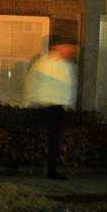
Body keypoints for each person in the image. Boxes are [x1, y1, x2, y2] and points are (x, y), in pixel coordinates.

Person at [24, 36, 78, 180]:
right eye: (68, 47)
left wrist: (68, 106)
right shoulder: (45, 63)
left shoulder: (65, 64)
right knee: (47, 139)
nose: (71, 50)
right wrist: (31, 101)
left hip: (57, 108)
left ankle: (50, 170)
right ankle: (44, 169)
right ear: (58, 47)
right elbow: (32, 83)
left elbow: (67, 87)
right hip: (46, 107)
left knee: (53, 141)